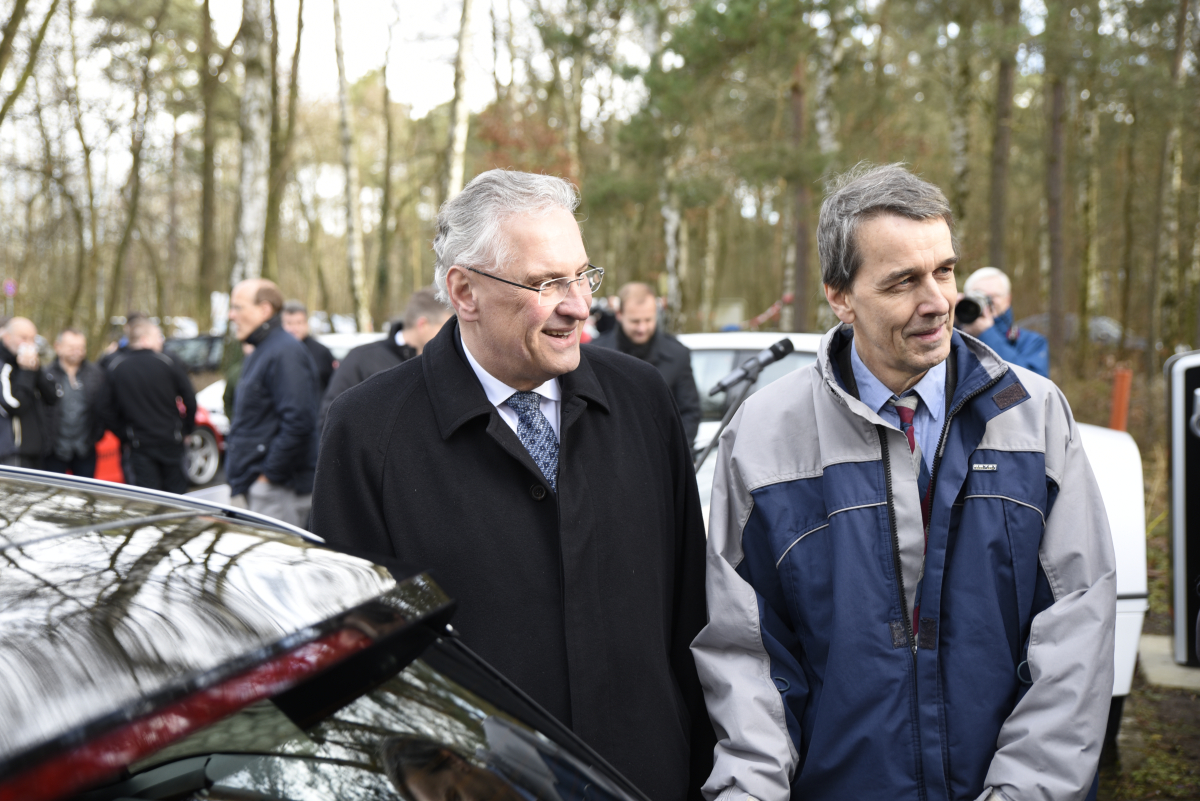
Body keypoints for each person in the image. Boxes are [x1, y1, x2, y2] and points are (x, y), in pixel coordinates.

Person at [692, 163, 1116, 801]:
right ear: (841, 296)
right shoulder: (761, 435)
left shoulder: (1034, 414)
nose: (938, 301)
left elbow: (1076, 628)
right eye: (903, 282)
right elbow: (746, 651)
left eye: (944, 270)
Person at [313, 169, 713, 801]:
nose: (579, 304)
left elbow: (692, 613)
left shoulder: (641, 397)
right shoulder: (368, 431)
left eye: (582, 275)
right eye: (545, 282)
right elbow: (357, 669)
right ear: (464, 291)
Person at [226, 279, 319, 528]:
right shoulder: (263, 350)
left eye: (238, 307)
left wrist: (268, 477)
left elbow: (299, 421)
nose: (230, 315)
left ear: (264, 309)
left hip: (279, 490)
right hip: (263, 488)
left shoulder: (284, 352)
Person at [318, 287, 452, 427]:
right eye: (445, 327)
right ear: (423, 325)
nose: (451, 334)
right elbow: (330, 420)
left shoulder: (443, 364)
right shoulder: (362, 360)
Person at [590, 282, 702, 445]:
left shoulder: (678, 355)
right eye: (635, 321)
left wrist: (673, 454)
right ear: (619, 314)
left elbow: (689, 413)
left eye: (648, 320)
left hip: (662, 457)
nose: (642, 328)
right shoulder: (594, 354)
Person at [103, 320, 196, 493]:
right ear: (145, 339)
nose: (162, 341)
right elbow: (190, 399)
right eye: (158, 336)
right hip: (171, 442)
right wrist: (187, 430)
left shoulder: (116, 367)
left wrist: (124, 434)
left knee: (147, 501)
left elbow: (105, 408)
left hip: (139, 444)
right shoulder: (168, 362)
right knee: (178, 500)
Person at [957, 266, 1050, 377]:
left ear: (1008, 299)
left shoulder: (1032, 342)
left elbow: (1034, 384)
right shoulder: (953, 335)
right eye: (978, 295)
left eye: (993, 296)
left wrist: (987, 334)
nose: (986, 301)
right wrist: (950, 321)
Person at [45, 328, 106, 477]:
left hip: (85, 449)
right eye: (72, 347)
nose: (77, 351)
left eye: (80, 347)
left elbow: (103, 406)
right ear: (57, 347)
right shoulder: (46, 374)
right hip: (54, 450)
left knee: (85, 495)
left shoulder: (96, 374)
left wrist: (97, 435)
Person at [0, 317, 60, 469]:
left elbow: (54, 396)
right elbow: (14, 405)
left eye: (33, 338)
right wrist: (26, 372)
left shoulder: (30, 364)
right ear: (7, 337)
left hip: (38, 450)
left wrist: (36, 370)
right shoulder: (3, 366)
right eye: (24, 338)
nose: (29, 343)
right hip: (12, 453)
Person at [282, 300, 337, 394]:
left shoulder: (322, 352)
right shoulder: (274, 352)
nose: (294, 328)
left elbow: (333, 386)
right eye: (289, 323)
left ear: (306, 324)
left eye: (299, 323)